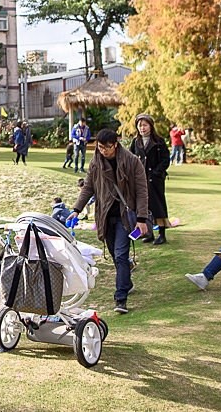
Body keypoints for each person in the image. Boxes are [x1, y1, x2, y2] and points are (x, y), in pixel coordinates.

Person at [67, 128, 149, 314]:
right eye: (100, 147)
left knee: (120, 255)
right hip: (104, 215)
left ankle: (121, 298)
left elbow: (143, 192)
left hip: (124, 217)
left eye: (107, 147)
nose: (103, 150)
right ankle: (126, 279)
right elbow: (88, 188)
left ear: (116, 144)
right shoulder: (96, 162)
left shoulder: (131, 161)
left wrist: (142, 218)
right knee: (115, 255)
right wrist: (76, 210)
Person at [129, 113, 171, 245]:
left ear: (151, 126)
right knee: (143, 207)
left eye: (145, 125)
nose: (142, 128)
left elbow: (165, 160)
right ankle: (147, 233)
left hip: (155, 180)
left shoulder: (159, 142)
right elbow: (130, 158)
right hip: (140, 180)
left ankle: (162, 234)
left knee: (158, 206)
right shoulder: (136, 142)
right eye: (140, 125)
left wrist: (156, 173)